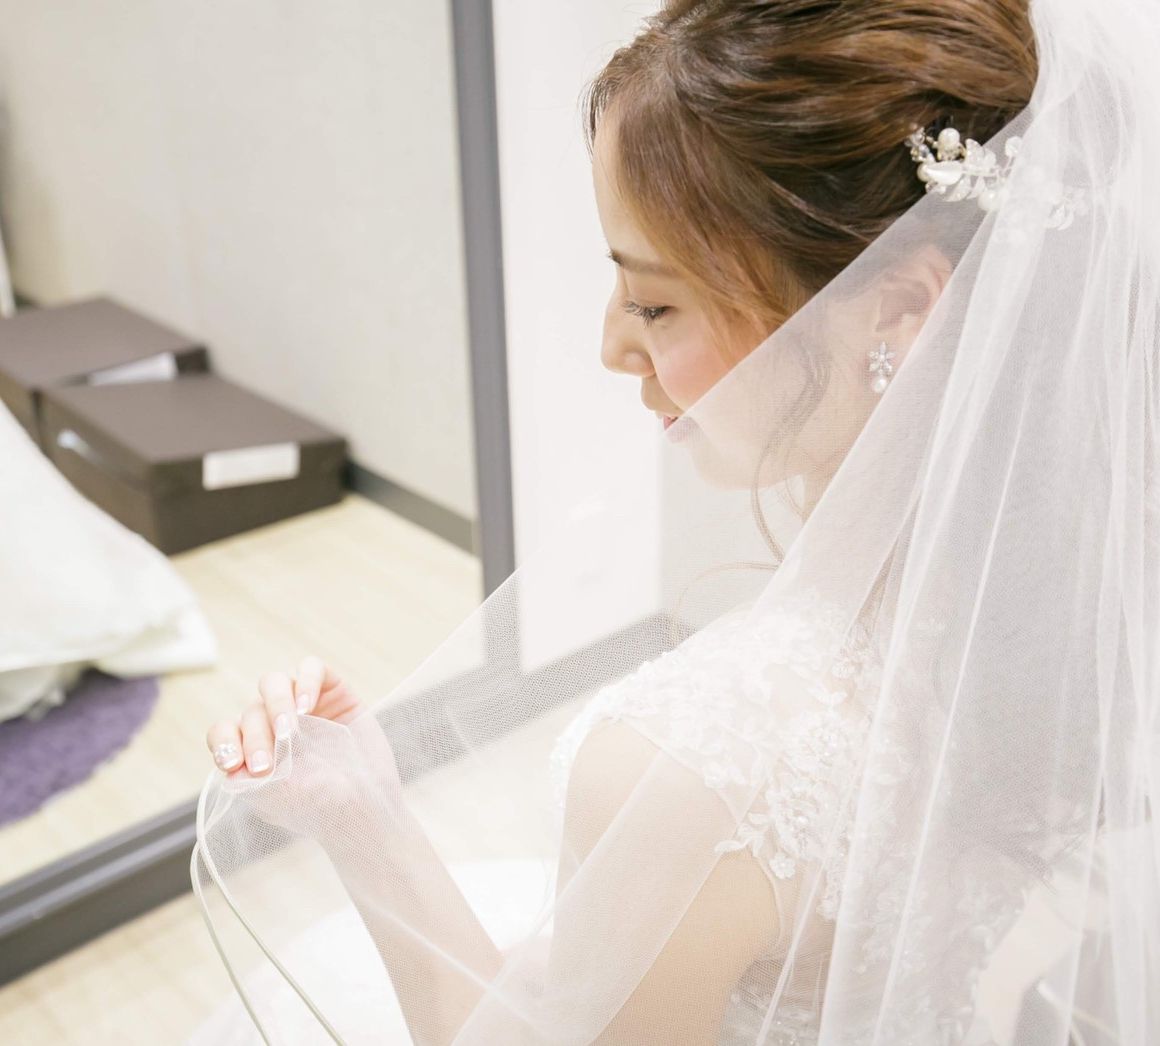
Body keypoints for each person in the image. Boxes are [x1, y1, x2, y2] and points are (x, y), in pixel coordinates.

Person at [196, 1, 1159, 1043]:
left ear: (899, 313)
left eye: (653, 303)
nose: (612, 347)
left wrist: (363, 825)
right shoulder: (1061, 610)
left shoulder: (692, 760)